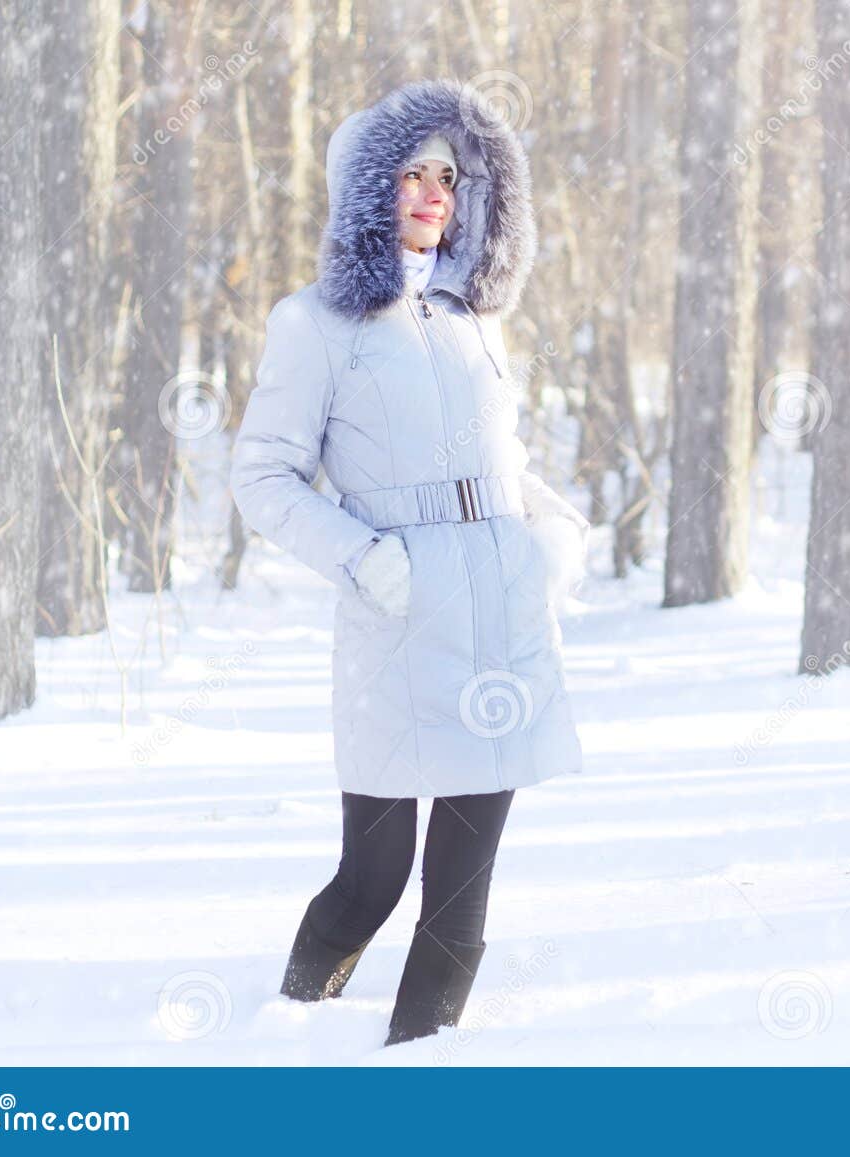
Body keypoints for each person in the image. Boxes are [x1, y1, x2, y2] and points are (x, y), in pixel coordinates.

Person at [229, 78, 589, 1047]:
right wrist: (364, 558)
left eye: (449, 174)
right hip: (395, 626)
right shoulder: (314, 323)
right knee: (372, 882)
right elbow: (262, 476)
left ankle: (413, 1081)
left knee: (460, 901)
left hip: (498, 634)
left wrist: (553, 533)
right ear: (365, 189)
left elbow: (498, 468)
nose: (433, 192)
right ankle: (281, 1032)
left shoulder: (478, 319)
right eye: (410, 173)